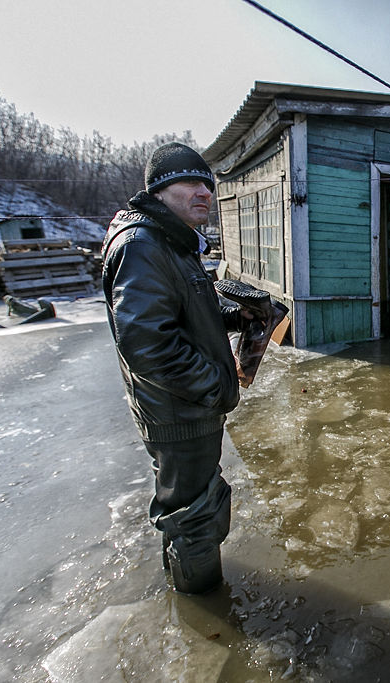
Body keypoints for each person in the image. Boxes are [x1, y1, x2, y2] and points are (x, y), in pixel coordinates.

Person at [102, 142, 245, 594]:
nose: (204, 192)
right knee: (196, 517)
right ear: (158, 191)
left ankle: (186, 582)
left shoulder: (172, 241)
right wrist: (215, 387)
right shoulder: (143, 245)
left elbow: (184, 311)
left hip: (183, 407)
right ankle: (202, 605)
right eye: (189, 182)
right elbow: (148, 343)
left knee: (191, 504)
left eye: (207, 184)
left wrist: (235, 316)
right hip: (180, 410)